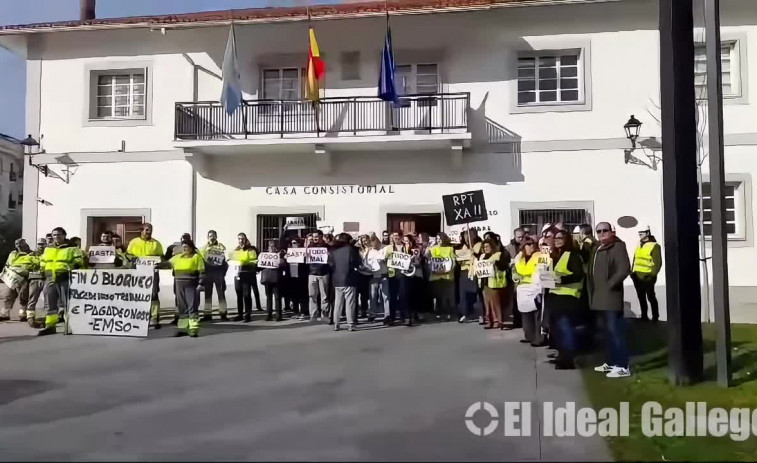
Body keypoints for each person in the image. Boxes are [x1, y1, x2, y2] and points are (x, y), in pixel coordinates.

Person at [589, 222, 631, 378]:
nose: (601, 233)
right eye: (598, 231)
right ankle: (611, 362)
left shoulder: (618, 247)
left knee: (616, 331)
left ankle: (622, 366)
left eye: (604, 230)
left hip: (610, 296)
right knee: (607, 333)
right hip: (599, 296)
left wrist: (610, 284)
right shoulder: (597, 248)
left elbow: (624, 269)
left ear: (612, 231)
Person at [546, 230, 585, 369]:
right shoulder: (555, 255)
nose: (556, 240)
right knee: (558, 330)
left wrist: (561, 279)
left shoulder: (573, 255)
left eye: (560, 238)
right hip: (556, 296)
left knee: (566, 329)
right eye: (555, 238)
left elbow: (578, 275)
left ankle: (568, 360)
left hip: (568, 297)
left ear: (567, 239)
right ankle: (562, 355)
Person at [38, 227, 84, 336]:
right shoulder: (48, 249)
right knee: (50, 304)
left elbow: (79, 262)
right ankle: (50, 326)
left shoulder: (72, 248)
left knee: (67, 303)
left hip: (65, 277)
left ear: (64, 235)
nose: (56, 237)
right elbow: (43, 261)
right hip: (50, 278)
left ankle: (69, 326)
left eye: (59, 234)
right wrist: (42, 270)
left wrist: (74, 269)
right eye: (54, 235)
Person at [126, 223, 165, 329]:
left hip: (153, 273)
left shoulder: (156, 243)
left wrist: (159, 262)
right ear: (141, 230)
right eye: (147, 230)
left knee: (153, 294)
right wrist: (133, 260)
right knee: (139, 295)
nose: (149, 232)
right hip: (138, 273)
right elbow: (128, 256)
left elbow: (161, 257)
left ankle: (154, 318)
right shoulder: (134, 242)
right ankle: (140, 317)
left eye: (151, 230)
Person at [169, 238, 204, 337]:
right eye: (183, 247)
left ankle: (193, 329)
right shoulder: (177, 257)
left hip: (191, 284)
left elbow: (202, 271)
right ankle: (183, 328)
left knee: (191, 306)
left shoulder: (196, 257)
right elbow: (168, 264)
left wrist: (201, 283)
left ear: (191, 248)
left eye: (187, 247)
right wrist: (156, 264)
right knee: (182, 307)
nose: (185, 249)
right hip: (179, 284)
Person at [513, 236, 544, 345]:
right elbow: (515, 271)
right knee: (525, 313)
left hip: (535, 288)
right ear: (523, 246)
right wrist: (515, 277)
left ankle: (538, 338)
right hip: (523, 289)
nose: (531, 246)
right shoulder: (518, 258)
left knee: (537, 314)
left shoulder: (539, 256)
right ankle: (529, 336)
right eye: (528, 244)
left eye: (532, 244)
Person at [0, 239, 39, 322]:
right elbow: (8, 264)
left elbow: (36, 264)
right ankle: (5, 314)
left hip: (25, 278)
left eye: (21, 244)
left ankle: (23, 313)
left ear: (26, 244)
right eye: (17, 244)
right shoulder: (13, 253)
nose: (18, 245)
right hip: (12, 277)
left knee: (23, 295)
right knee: (8, 295)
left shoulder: (32, 254)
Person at [475, 238, 510, 330]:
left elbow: (503, 266)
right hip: (484, 282)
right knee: (487, 304)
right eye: (484, 246)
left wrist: (495, 263)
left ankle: (498, 321)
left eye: (487, 246)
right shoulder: (482, 256)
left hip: (494, 282)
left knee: (495, 303)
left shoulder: (497, 255)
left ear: (492, 246)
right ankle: (489, 321)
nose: (485, 248)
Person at [329, 233, 361, 331]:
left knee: (338, 303)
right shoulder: (352, 250)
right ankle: (350, 324)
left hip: (337, 280)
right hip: (349, 279)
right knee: (350, 303)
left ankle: (336, 323)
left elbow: (330, 265)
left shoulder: (334, 251)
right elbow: (356, 263)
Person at [631, 227, 662, 322]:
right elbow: (635, 259)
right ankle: (644, 316)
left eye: (642, 233)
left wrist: (652, 275)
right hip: (637, 276)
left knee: (650, 296)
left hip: (648, 276)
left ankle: (655, 317)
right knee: (641, 297)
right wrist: (632, 272)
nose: (640, 235)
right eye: (639, 233)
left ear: (647, 233)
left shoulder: (654, 245)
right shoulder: (638, 244)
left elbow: (658, 263)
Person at [200, 230, 229, 322]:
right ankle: (207, 315)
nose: (211, 237)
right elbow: (201, 260)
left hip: (218, 273)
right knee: (207, 295)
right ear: (207, 237)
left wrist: (223, 273)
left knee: (221, 294)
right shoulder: (204, 248)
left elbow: (225, 260)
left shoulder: (221, 247)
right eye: (210, 236)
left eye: (213, 236)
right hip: (208, 273)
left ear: (216, 236)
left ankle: (223, 314)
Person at [229, 233, 258, 322]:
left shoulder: (251, 249)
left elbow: (254, 261)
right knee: (239, 295)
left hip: (247, 274)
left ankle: (247, 315)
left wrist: (245, 263)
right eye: (239, 239)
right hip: (237, 275)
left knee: (247, 295)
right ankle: (240, 314)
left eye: (242, 239)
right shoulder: (236, 250)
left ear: (246, 239)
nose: (241, 240)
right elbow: (233, 260)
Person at [427, 232, 456, 321]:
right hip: (436, 276)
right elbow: (429, 260)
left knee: (448, 295)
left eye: (440, 239)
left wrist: (448, 269)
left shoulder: (450, 249)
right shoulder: (432, 249)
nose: (438, 241)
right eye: (437, 239)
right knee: (437, 295)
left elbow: (453, 261)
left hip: (447, 275)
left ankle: (448, 313)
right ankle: (438, 312)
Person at [457, 229, 482, 323]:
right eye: (465, 236)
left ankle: (480, 313)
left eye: (469, 235)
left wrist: (473, 253)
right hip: (464, 270)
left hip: (475, 271)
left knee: (477, 292)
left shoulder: (479, 245)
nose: (467, 238)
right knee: (464, 294)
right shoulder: (462, 246)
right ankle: (465, 313)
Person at [398, 234, 423, 327]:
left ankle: (414, 313)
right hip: (404, 275)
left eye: (407, 241)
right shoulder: (401, 249)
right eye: (404, 241)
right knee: (405, 295)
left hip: (414, 274)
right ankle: (406, 316)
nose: (406, 242)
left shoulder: (415, 249)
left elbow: (418, 262)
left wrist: (413, 262)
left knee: (414, 295)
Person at [307, 230, 331, 322]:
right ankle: (313, 315)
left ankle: (324, 315)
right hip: (312, 274)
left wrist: (329, 255)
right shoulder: (310, 246)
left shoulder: (327, 247)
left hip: (323, 274)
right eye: (313, 237)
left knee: (324, 296)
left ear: (321, 236)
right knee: (312, 295)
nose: (314, 238)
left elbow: (331, 260)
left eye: (316, 236)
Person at [365, 236, 389, 323]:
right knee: (373, 295)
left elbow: (389, 259)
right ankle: (372, 314)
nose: (373, 246)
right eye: (371, 245)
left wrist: (383, 261)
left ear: (377, 241)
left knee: (386, 296)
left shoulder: (385, 248)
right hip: (374, 275)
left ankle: (387, 315)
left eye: (374, 244)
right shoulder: (370, 251)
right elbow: (366, 262)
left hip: (384, 274)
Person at [261, 240, 286, 322]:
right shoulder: (263, 255)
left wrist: (280, 262)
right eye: (270, 246)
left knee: (277, 297)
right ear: (268, 247)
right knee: (269, 297)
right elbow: (260, 266)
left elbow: (284, 266)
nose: (272, 248)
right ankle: (269, 314)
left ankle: (278, 315)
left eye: (274, 246)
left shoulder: (279, 255)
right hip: (267, 278)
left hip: (276, 279)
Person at [285, 237, 309, 320]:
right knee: (294, 296)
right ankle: (296, 312)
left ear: (299, 244)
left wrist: (305, 257)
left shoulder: (303, 252)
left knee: (302, 295)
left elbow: (306, 265)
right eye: (292, 243)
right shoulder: (289, 252)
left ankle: (303, 312)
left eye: (295, 243)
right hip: (292, 277)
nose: (294, 245)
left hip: (301, 277)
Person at [26, 238, 47, 327]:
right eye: (39, 244)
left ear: (46, 244)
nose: (41, 246)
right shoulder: (31, 254)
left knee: (47, 299)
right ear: (36, 245)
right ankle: (30, 317)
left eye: (43, 244)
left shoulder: (48, 254)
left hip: (46, 278)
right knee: (32, 299)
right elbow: (27, 265)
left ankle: (44, 318)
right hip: (34, 279)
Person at [384, 231, 404, 323]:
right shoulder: (388, 248)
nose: (396, 238)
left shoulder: (404, 247)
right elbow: (384, 259)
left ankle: (403, 315)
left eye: (397, 236)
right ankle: (392, 316)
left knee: (402, 295)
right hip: (392, 274)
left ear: (400, 237)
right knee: (393, 296)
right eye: (394, 236)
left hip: (403, 274)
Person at [356, 235, 372, 320]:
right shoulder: (357, 249)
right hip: (359, 273)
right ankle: (359, 311)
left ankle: (364, 311)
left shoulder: (371, 249)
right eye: (363, 240)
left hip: (368, 273)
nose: (364, 242)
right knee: (358, 293)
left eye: (366, 240)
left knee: (365, 294)